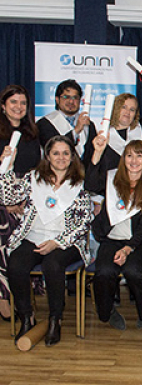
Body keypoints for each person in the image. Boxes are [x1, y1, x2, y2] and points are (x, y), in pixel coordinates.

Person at [3, 136, 92, 346]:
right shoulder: (33, 178)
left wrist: (57, 242)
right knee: (16, 264)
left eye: (65, 153)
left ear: (72, 157)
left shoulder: (81, 182)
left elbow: (85, 221)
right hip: (33, 237)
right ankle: (27, 317)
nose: (60, 157)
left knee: (52, 264)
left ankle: (55, 319)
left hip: (66, 241)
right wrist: (8, 165)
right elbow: (8, 198)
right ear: (47, 156)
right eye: (55, 153)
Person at [85, 140, 142, 331]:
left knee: (133, 270)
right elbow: (90, 183)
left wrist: (127, 249)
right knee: (104, 272)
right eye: (129, 155)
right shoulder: (112, 179)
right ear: (123, 159)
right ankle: (107, 312)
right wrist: (97, 153)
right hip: (111, 240)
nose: (134, 160)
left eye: (139, 155)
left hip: (139, 243)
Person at [0, 85, 41, 319]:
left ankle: (22, 297)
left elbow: (35, 173)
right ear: (3, 106)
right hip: (1, 198)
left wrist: (24, 200)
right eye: (13, 102)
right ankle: (4, 296)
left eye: (23, 103)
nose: (18, 107)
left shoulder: (32, 134)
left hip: (25, 198)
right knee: (3, 222)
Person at [84, 93, 142, 171]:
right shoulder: (101, 136)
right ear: (115, 109)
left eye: (132, 109)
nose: (127, 112)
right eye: (124, 107)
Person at [37, 79, 96, 158]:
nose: (71, 101)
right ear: (57, 99)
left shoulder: (89, 125)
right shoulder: (44, 124)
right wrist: (76, 131)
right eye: (66, 97)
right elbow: (51, 149)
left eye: (75, 97)